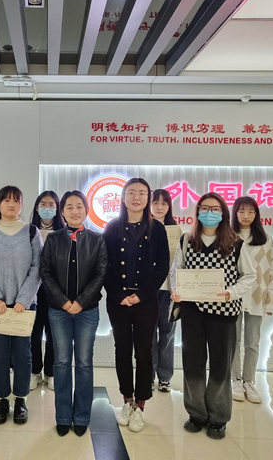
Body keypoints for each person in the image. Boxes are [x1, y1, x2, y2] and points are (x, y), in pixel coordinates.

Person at [170, 192, 256, 440]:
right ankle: (196, 413)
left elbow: (249, 276)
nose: (210, 213)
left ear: (223, 213)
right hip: (193, 312)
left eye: (215, 209)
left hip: (224, 313)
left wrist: (231, 293)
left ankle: (218, 418)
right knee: (192, 364)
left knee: (220, 366)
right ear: (197, 211)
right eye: (205, 208)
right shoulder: (187, 240)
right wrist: (177, 290)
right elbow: (176, 270)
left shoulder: (235, 242)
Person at [103, 178, 169, 433]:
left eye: (142, 193)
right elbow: (104, 265)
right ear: (123, 197)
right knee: (122, 350)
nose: (136, 197)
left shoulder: (157, 229)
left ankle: (140, 405)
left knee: (144, 352)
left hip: (146, 301)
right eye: (131, 192)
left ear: (148, 198)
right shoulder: (112, 227)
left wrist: (142, 294)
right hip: (118, 301)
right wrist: (118, 294)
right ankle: (126, 401)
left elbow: (162, 265)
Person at [40, 190, 107, 437]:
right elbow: (45, 272)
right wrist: (63, 302)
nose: (75, 211)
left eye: (79, 206)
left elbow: (101, 273)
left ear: (86, 210)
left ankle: (81, 416)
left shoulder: (97, 240)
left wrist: (80, 302)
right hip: (58, 311)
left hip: (87, 311)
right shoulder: (53, 239)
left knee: (84, 363)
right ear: (62, 212)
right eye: (69, 207)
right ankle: (62, 415)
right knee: (61, 362)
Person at [0, 186, 42, 425]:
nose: (11, 204)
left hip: (24, 306)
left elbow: (37, 268)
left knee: (23, 353)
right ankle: (2, 398)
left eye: (16, 200)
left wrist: (24, 299)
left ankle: (21, 399)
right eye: (6, 200)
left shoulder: (32, 232)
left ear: (22, 205)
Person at [230, 196, 273, 404]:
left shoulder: (266, 239)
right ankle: (235, 380)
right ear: (235, 213)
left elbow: (272, 271)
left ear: (256, 214)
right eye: (241, 211)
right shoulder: (228, 236)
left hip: (257, 296)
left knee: (252, 342)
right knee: (233, 341)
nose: (246, 216)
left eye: (251, 212)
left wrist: (271, 300)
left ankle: (249, 381)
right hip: (233, 296)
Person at [29, 190, 65, 391]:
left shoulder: (65, 232)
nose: (47, 208)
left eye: (52, 204)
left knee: (54, 334)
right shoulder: (28, 231)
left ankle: (51, 372)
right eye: (43, 204)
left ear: (58, 208)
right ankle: (34, 371)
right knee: (33, 333)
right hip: (33, 290)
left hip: (56, 291)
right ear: (36, 207)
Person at [150, 189, 180, 392]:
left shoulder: (177, 230)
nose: (159, 207)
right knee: (148, 335)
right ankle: (148, 375)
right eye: (155, 203)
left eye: (164, 203)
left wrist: (179, 289)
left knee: (168, 334)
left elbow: (181, 262)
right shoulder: (144, 228)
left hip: (170, 290)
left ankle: (165, 377)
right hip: (149, 290)